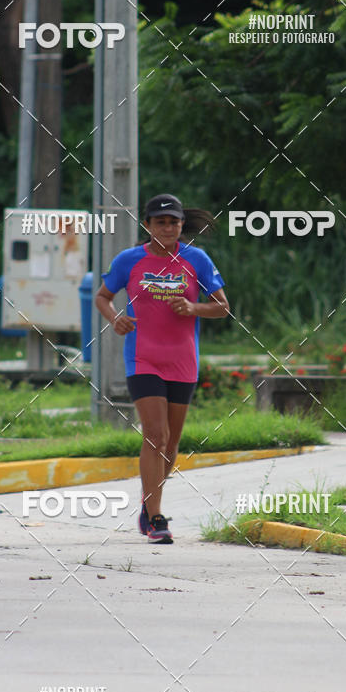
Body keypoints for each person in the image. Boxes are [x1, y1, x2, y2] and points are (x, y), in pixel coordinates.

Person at [94, 193, 230, 543]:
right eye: (160, 222)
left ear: (182, 225)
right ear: (148, 225)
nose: (167, 228)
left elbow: (221, 307)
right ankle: (156, 518)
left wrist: (192, 307)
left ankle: (147, 504)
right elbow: (102, 296)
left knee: (171, 445)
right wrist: (115, 319)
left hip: (183, 359)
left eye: (173, 222)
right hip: (143, 357)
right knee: (155, 435)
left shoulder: (196, 259)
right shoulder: (130, 260)